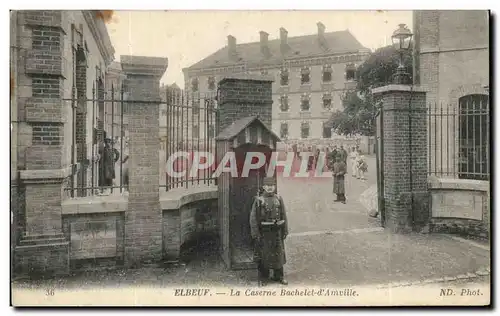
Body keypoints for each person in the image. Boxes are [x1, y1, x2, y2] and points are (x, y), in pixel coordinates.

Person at [250, 177, 289, 286]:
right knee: (263, 255)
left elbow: (283, 215)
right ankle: (264, 278)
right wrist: (256, 233)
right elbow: (253, 218)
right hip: (264, 233)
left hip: (277, 232)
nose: (270, 188)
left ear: (275, 186)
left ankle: (279, 276)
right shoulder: (259, 200)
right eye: (267, 185)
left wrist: (285, 230)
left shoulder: (278, 199)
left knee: (278, 255)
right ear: (263, 187)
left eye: (272, 185)